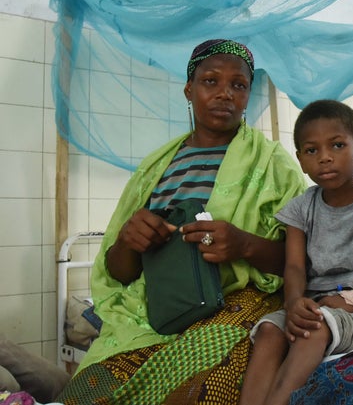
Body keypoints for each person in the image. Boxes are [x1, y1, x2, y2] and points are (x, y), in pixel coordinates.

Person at [56, 39, 307, 405]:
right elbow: (118, 273)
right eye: (211, 81)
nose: (225, 94)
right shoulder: (155, 169)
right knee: (84, 394)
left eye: (238, 85)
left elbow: (305, 259)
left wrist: (244, 245)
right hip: (152, 309)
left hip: (238, 302)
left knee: (203, 388)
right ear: (189, 90)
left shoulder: (273, 165)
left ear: (248, 95)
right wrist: (129, 241)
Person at [239, 99, 353, 405]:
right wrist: (294, 301)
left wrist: (351, 299)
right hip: (315, 305)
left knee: (315, 327)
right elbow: (295, 267)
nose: (325, 158)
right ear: (300, 159)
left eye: (337, 146)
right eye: (312, 150)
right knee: (270, 331)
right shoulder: (300, 209)